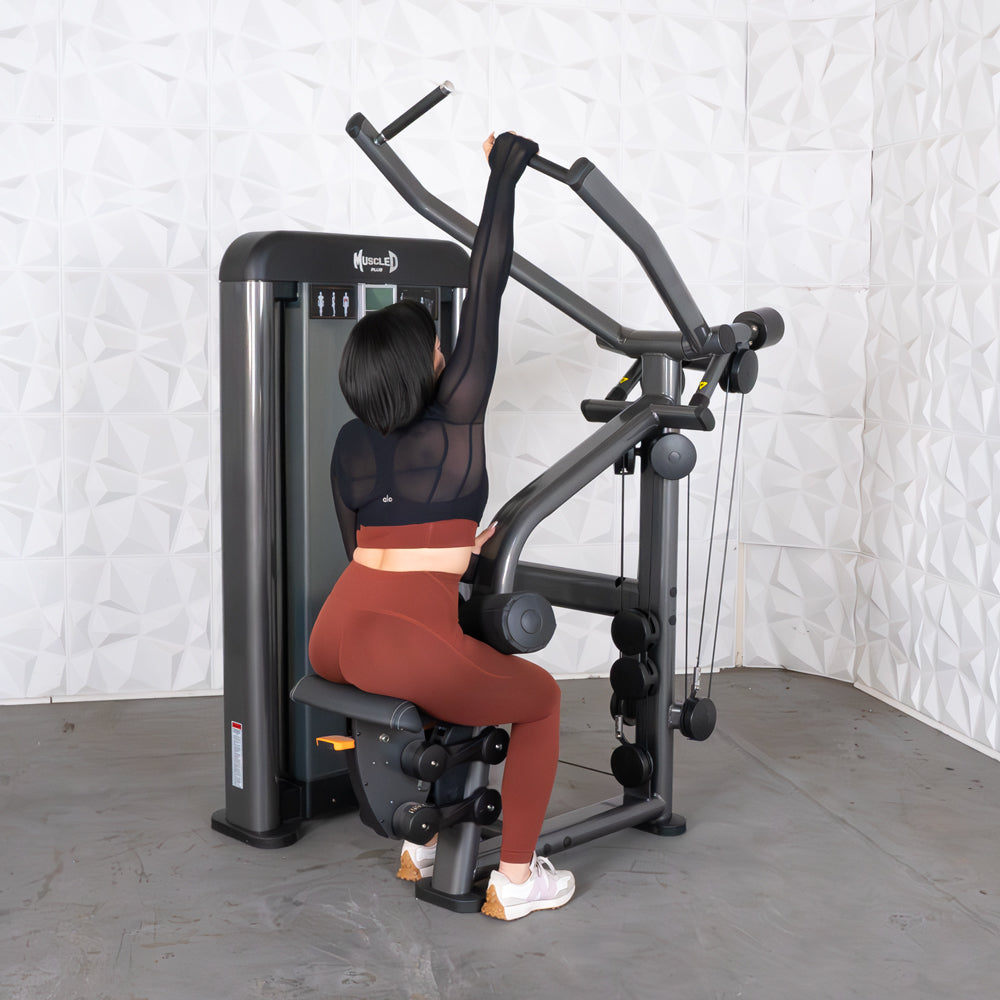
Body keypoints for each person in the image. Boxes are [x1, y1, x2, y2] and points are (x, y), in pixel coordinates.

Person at [308, 131, 575, 921]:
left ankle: (421, 845)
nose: (446, 354)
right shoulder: (456, 420)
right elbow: (486, 283)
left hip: (336, 632)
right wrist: (505, 172)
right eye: (438, 347)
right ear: (427, 363)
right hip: (404, 645)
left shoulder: (350, 444)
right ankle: (519, 882)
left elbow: (364, 550)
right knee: (541, 699)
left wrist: (456, 550)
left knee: (456, 674)